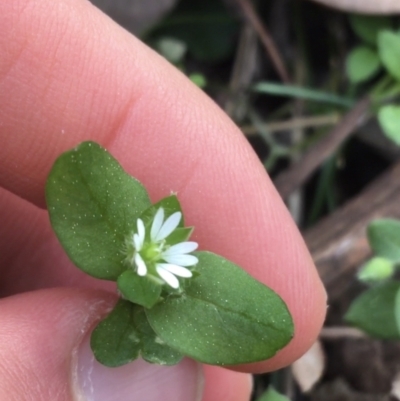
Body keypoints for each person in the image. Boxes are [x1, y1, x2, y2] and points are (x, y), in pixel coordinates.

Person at [0, 1, 327, 400]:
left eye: (153, 255)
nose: (152, 255)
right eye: (152, 254)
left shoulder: (160, 274)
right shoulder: (134, 252)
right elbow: (81, 180)